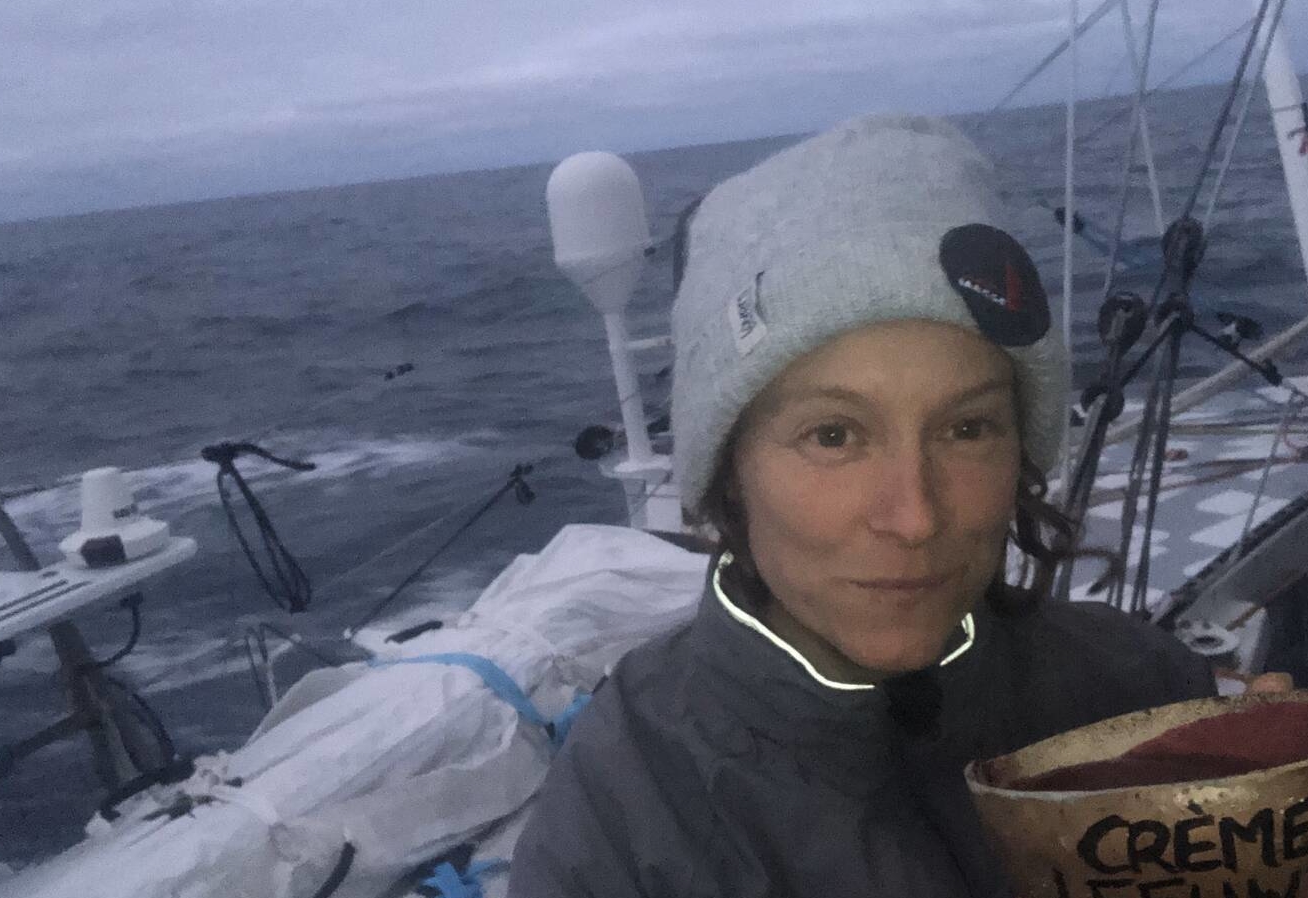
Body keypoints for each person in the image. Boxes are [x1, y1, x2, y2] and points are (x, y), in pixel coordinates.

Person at [507, 114, 1217, 897]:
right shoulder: (623, 817)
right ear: (730, 471)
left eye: (967, 428)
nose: (914, 518)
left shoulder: (1142, 690)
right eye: (834, 435)